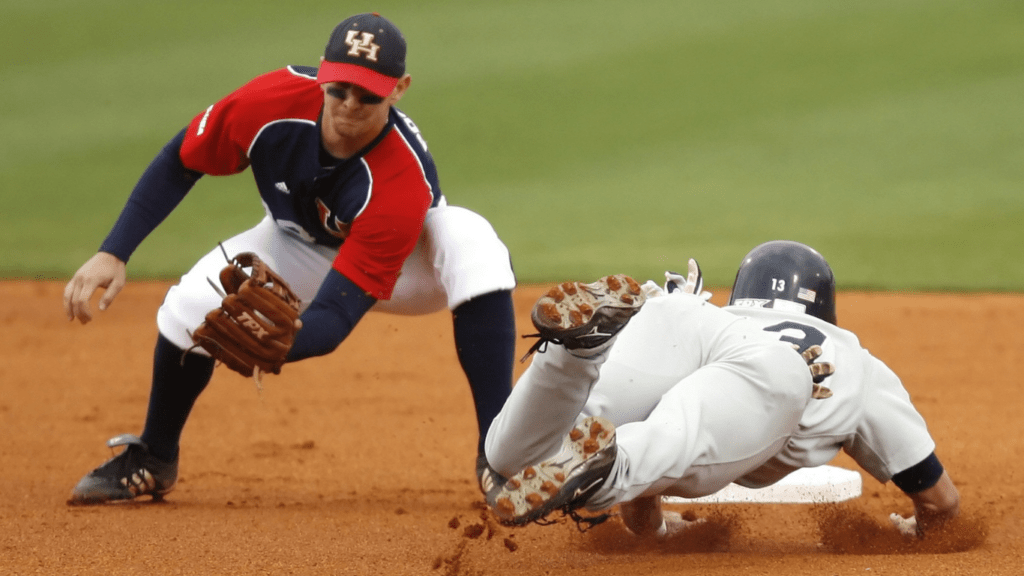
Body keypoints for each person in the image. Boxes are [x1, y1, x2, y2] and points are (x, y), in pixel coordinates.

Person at [63, 13, 517, 504]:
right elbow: (182, 158)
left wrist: (283, 343)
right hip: (295, 241)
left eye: (369, 95)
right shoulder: (269, 103)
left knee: (472, 239)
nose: (350, 105)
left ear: (399, 89)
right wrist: (114, 250)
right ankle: (153, 457)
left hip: (413, 267)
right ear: (322, 73)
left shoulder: (398, 181)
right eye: (340, 88)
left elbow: (337, 314)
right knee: (190, 304)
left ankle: (501, 458)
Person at [481, 241, 959, 539]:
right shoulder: (853, 361)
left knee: (513, 462)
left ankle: (575, 356)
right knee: (680, 433)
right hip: (776, 372)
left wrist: (655, 531)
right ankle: (605, 469)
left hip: (681, 316)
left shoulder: (727, 315)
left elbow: (647, 495)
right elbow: (939, 501)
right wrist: (920, 531)